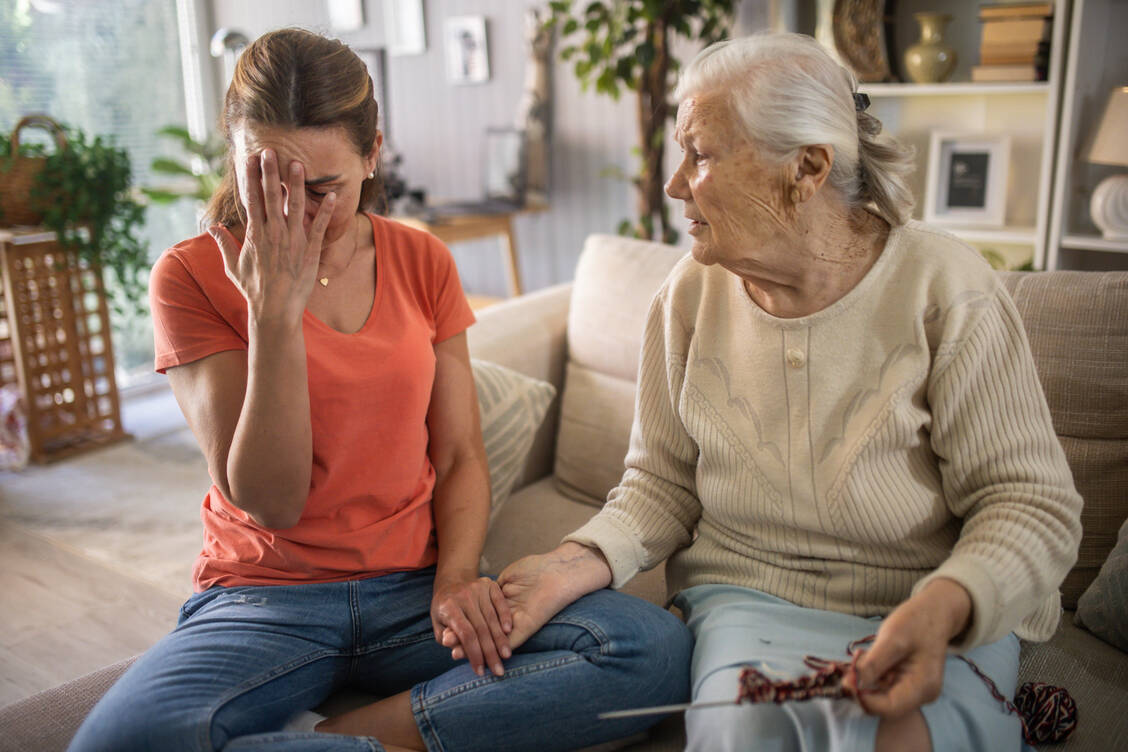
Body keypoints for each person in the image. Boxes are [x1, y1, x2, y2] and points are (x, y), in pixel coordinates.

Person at [68, 28, 690, 752]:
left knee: (653, 651)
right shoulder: (192, 275)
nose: (296, 214)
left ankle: (366, 735)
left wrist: (457, 578)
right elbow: (270, 499)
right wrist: (275, 317)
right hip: (265, 599)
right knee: (118, 744)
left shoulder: (420, 258)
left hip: (412, 590)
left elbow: (458, 453)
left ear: (372, 157)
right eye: (264, 183)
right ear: (234, 161)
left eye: (323, 188)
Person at [494, 32, 1083, 752]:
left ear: (806, 167)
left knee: (905, 742)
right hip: (749, 598)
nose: (675, 184)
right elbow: (661, 483)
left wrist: (945, 606)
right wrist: (571, 564)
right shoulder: (687, 296)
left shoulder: (945, 287)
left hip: (930, 600)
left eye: (701, 153)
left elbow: (1030, 503)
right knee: (744, 739)